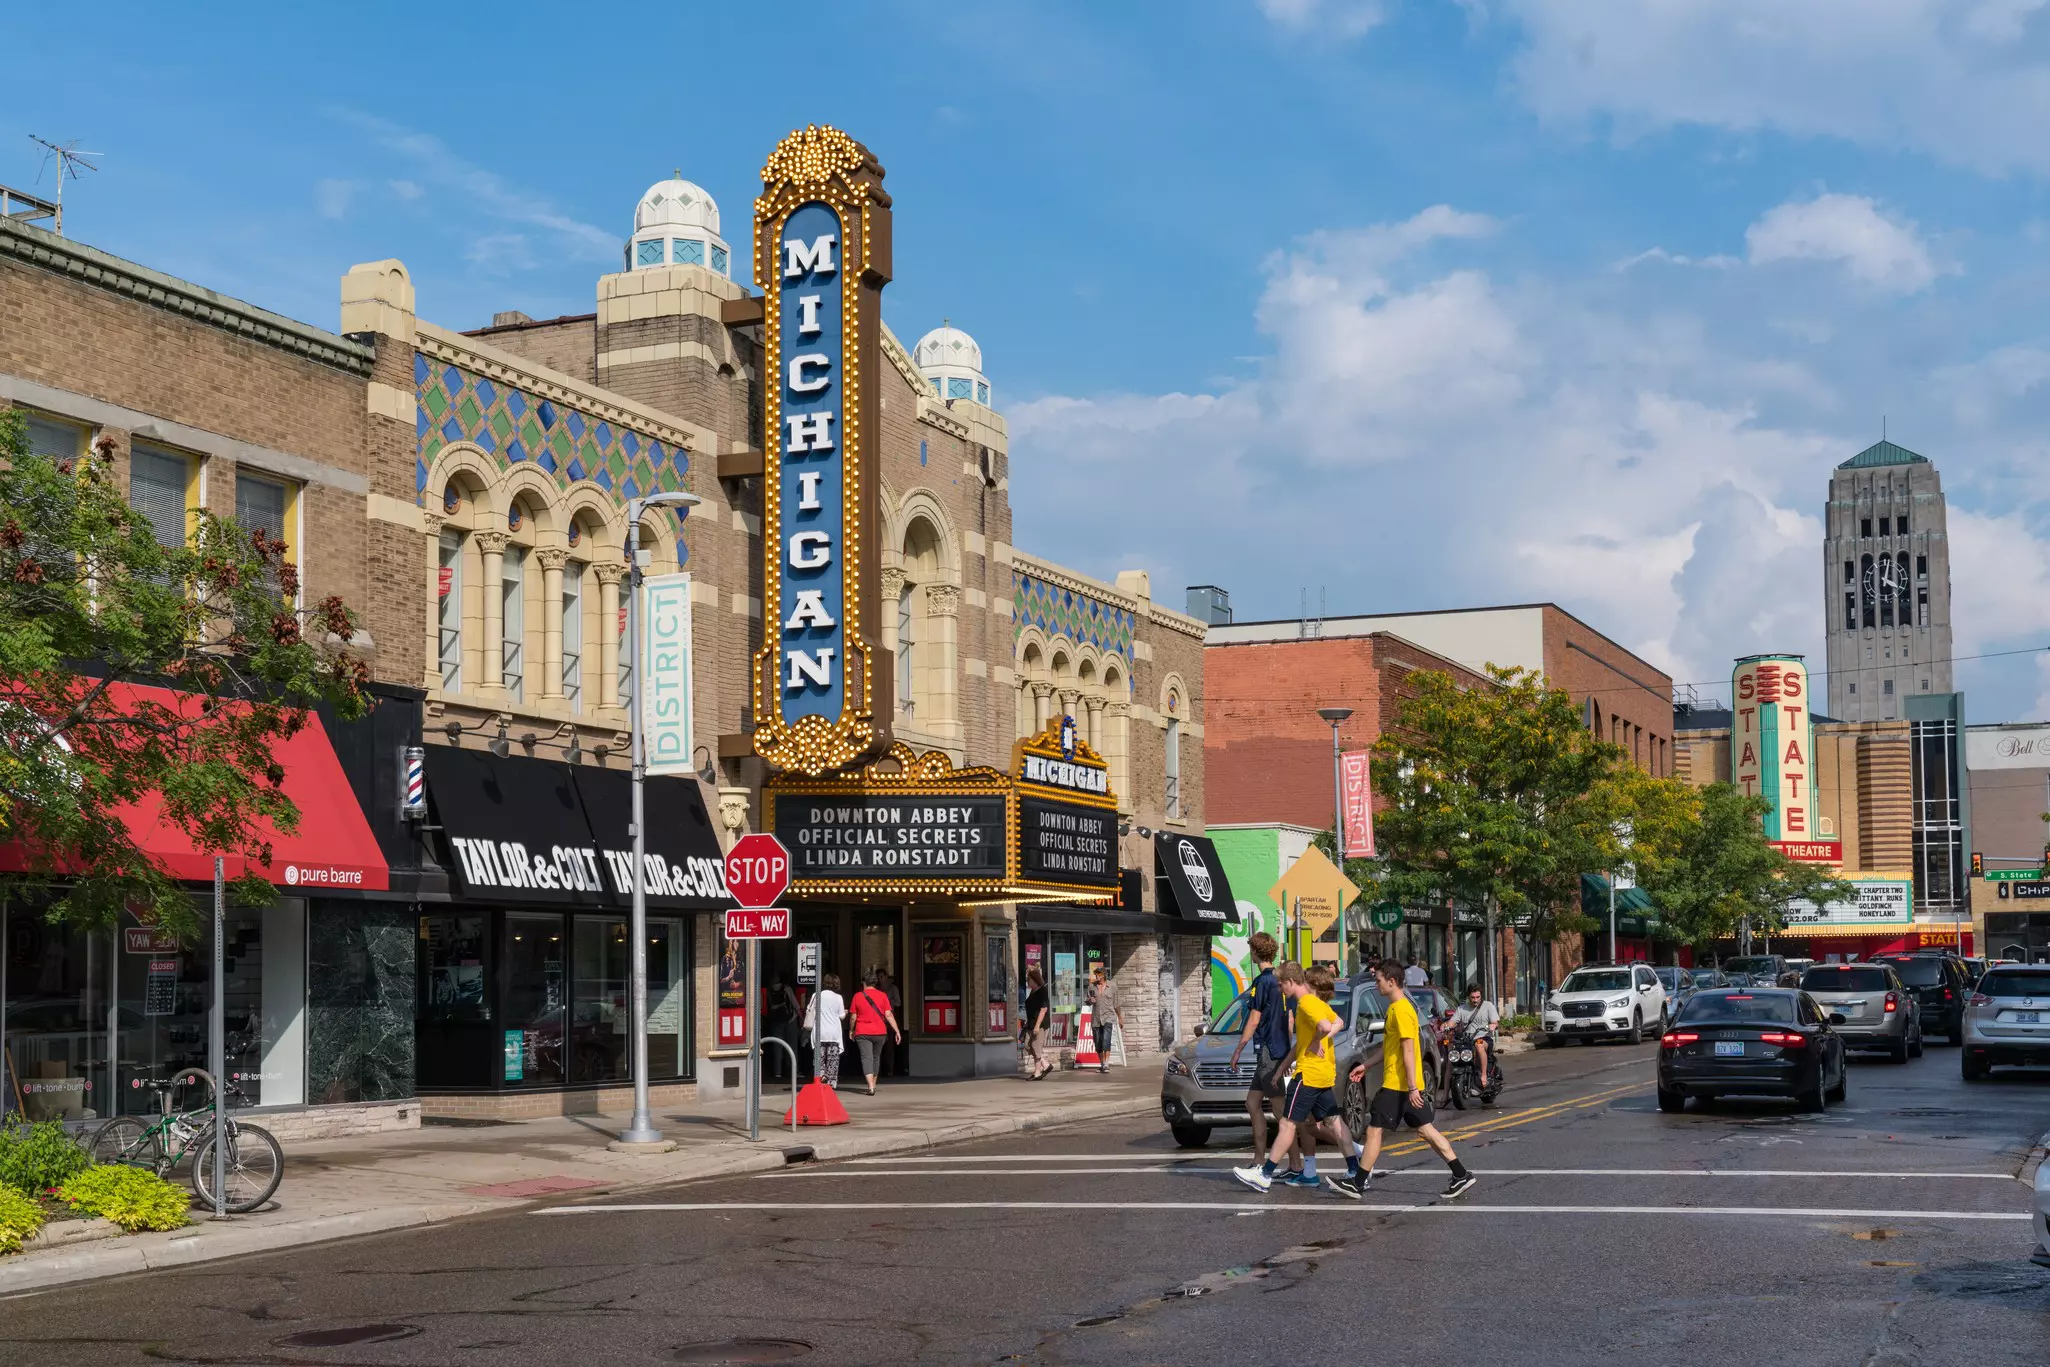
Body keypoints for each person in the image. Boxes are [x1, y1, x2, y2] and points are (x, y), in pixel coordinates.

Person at [1332, 960, 1475, 1199]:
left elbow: (1410, 1050)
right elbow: (1390, 1048)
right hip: (1402, 1085)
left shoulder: (1401, 1010)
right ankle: (1461, 1174)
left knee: (1375, 1130)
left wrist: (1412, 1087)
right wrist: (1366, 1065)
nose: (1376, 984)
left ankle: (1357, 1183)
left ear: (1391, 981)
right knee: (1426, 1131)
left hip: (1399, 1086)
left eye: (1378, 980)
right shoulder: (1395, 1009)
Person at [1232, 964, 1361, 1196]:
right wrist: (1283, 1066)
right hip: (1322, 1074)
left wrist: (1317, 1040)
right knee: (1334, 1122)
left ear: (1291, 982)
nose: (1280, 989)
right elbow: (1337, 1023)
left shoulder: (1307, 1003)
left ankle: (1265, 1174)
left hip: (1309, 1074)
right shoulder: (1316, 1003)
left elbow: (1324, 1026)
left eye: (1281, 984)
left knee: (1287, 1124)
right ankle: (1355, 1171)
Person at [1228, 932, 1291, 1166]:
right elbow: (1290, 1020)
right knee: (1252, 1103)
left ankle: (1296, 1164)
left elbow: (1254, 1020)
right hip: (1276, 1049)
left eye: (1251, 949)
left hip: (1268, 1051)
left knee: (1281, 1113)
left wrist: (1237, 1051)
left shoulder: (1262, 982)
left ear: (1255, 952)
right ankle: (1258, 1160)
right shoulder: (1282, 979)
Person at [849, 970, 902, 1096]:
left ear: (864, 983)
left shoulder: (858, 996)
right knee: (875, 1058)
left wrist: (851, 1030)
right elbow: (888, 1015)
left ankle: (870, 1086)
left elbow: (853, 1017)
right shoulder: (883, 995)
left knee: (866, 1057)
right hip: (880, 1032)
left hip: (863, 1032)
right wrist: (897, 1031)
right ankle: (873, 1084)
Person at [1452, 982, 1500, 1087]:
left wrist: (1492, 1025)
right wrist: (1445, 1025)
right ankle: (1446, 1092)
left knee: (1479, 1044)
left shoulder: (1488, 1006)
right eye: (1472, 997)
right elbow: (1453, 1021)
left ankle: (1483, 1076)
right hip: (1467, 1039)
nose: (1475, 1000)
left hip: (1484, 1037)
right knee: (1451, 1053)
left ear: (1481, 996)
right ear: (1468, 996)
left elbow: (1495, 1022)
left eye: (1478, 997)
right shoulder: (1462, 1008)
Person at [805, 973, 847, 1089]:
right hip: (833, 1032)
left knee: (819, 1058)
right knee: (833, 1059)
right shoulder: (838, 998)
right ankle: (831, 1082)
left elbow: (809, 1010)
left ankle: (820, 1076)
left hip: (819, 1032)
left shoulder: (816, 995)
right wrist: (846, 1012)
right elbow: (842, 1016)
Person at [1086, 965, 1123, 1074]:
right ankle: (1102, 1064)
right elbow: (1087, 1001)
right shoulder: (1091, 987)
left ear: (1104, 975)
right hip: (1096, 1018)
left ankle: (1106, 1064)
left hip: (1108, 1017)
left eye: (1098, 973)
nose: (1096, 976)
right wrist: (1089, 1000)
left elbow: (1116, 1003)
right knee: (1098, 1042)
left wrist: (1120, 1018)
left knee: (1106, 1039)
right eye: (1096, 973)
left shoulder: (1112, 987)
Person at [765, 975, 801, 1083]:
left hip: (776, 1022)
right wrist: (801, 1018)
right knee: (792, 1046)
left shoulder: (769, 990)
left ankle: (777, 1073)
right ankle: (793, 1071)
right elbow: (796, 1005)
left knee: (777, 1046)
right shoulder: (787, 989)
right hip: (790, 1021)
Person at [1021, 965, 1053, 1080]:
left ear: (1034, 980)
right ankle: (1046, 1064)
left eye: (1028, 979)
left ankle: (1037, 1072)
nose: (1027, 981)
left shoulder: (1042, 991)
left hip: (1039, 1024)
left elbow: (1043, 1009)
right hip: (1030, 1023)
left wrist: (1037, 1026)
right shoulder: (1032, 992)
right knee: (1027, 1045)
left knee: (1035, 1047)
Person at [878, 969, 908, 1077]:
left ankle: (890, 1070)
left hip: (889, 1019)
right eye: (879, 977)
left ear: (886, 976)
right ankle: (879, 1070)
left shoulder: (893, 988)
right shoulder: (877, 989)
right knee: (878, 1047)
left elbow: (898, 1003)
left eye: (882, 976)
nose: (880, 979)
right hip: (879, 1019)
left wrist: (889, 1003)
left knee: (889, 1047)